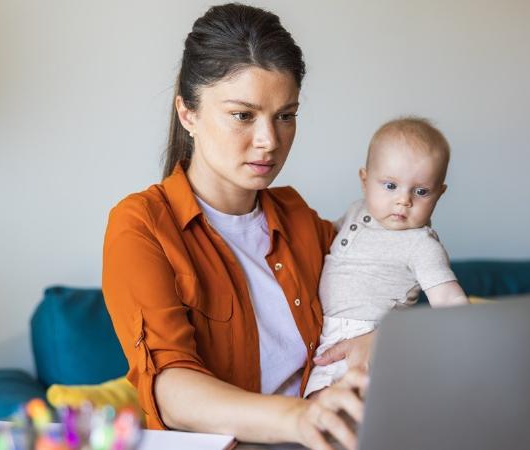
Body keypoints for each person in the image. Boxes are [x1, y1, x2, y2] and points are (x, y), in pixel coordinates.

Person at [102, 4, 368, 450]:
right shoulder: (141, 224)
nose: (269, 140)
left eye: (285, 115)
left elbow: (370, 294)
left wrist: (378, 340)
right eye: (243, 116)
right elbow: (172, 389)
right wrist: (300, 418)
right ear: (188, 113)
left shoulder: (299, 217)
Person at [304, 117, 469, 397]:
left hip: (372, 338)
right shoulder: (357, 211)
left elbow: (450, 300)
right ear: (365, 180)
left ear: (439, 194)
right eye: (390, 186)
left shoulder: (421, 244)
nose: (404, 200)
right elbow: (323, 242)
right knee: (319, 414)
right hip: (326, 336)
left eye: (421, 191)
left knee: (333, 411)